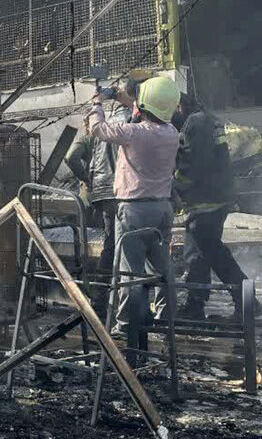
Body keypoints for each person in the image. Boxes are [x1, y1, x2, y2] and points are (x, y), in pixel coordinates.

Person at [85, 76, 181, 350]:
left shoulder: (135, 133)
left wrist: (97, 104)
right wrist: (123, 98)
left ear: (144, 107)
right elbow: (148, 116)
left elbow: (98, 129)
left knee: (130, 273)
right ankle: (165, 320)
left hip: (134, 210)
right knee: (162, 268)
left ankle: (125, 327)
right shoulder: (171, 133)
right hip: (162, 209)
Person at [173, 94, 262, 321]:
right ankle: (195, 305)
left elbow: (193, 163)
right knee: (196, 254)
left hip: (206, 201)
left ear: (180, 105)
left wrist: (175, 188)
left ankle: (247, 301)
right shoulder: (208, 119)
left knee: (213, 252)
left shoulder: (196, 123)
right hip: (213, 197)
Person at [65, 95, 132, 272]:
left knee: (106, 240)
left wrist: (85, 179)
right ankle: (111, 285)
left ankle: (99, 287)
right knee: (120, 242)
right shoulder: (122, 127)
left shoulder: (92, 136)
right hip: (121, 192)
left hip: (96, 195)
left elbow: (71, 157)